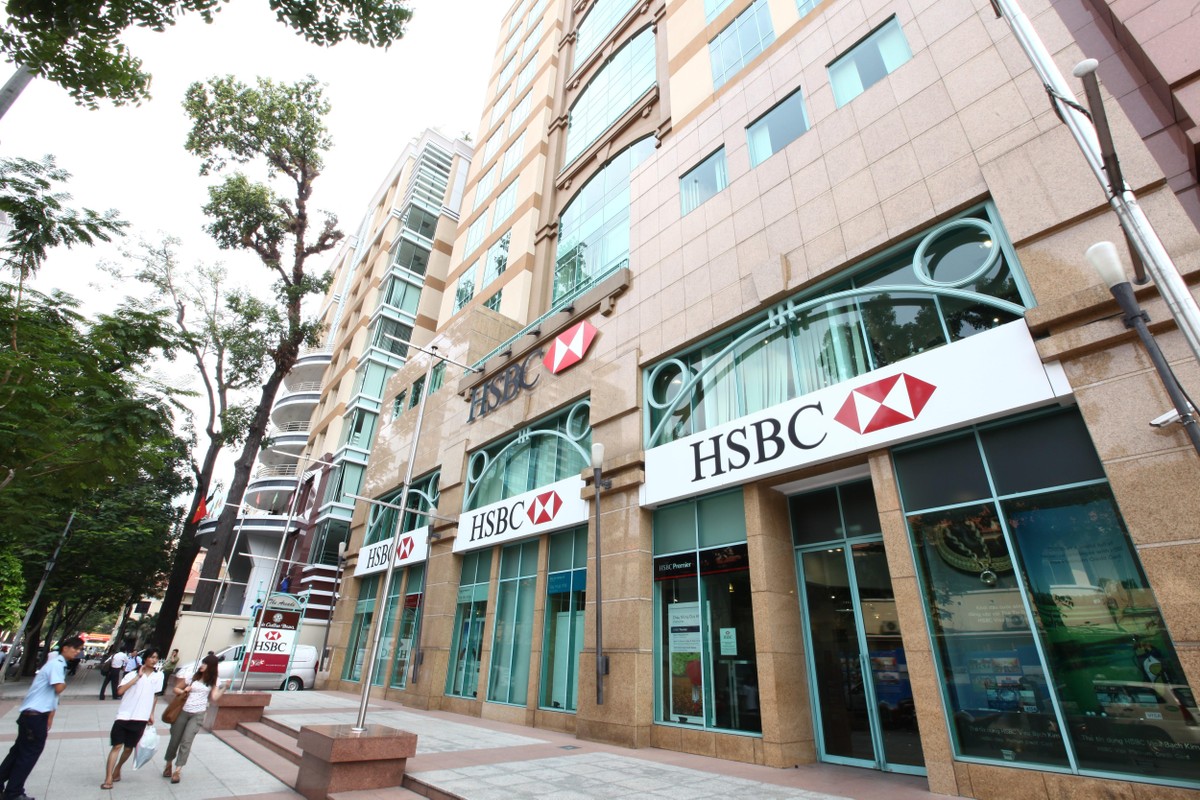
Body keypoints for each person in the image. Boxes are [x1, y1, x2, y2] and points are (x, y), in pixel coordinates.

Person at [0, 636, 84, 800]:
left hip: (32, 715)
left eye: (80, 649)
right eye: (76, 648)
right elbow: (58, 688)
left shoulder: (56, 663)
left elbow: (52, 695)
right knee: (28, 755)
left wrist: (50, 716)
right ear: (65, 648)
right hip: (35, 716)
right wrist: (66, 683)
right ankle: (14, 793)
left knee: (18, 752)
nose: (77, 652)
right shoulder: (57, 664)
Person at [101, 647, 163, 790]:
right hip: (124, 715)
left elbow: (155, 696)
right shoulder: (131, 674)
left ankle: (118, 768)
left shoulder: (159, 676)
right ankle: (108, 778)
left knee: (128, 748)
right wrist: (137, 678)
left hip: (141, 717)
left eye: (156, 658)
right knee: (117, 746)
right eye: (151, 657)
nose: (154, 660)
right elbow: (120, 691)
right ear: (145, 658)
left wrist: (151, 714)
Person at [162, 654, 224, 784]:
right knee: (174, 740)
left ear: (211, 667)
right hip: (183, 711)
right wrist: (185, 691)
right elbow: (176, 689)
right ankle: (168, 764)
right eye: (202, 663)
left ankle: (178, 770)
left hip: (198, 714)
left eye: (205, 664)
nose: (202, 666)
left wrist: (225, 687)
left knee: (186, 741)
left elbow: (214, 697)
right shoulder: (193, 677)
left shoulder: (214, 681)